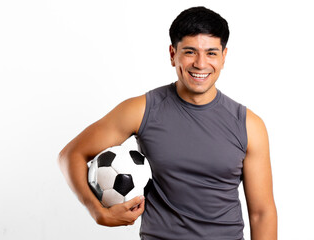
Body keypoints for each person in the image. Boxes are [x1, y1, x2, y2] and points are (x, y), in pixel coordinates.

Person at [58, 6, 277, 240]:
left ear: (224, 57)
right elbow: (71, 154)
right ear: (173, 54)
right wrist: (97, 211)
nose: (201, 64)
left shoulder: (248, 125)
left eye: (211, 53)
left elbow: (262, 213)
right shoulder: (142, 110)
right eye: (190, 52)